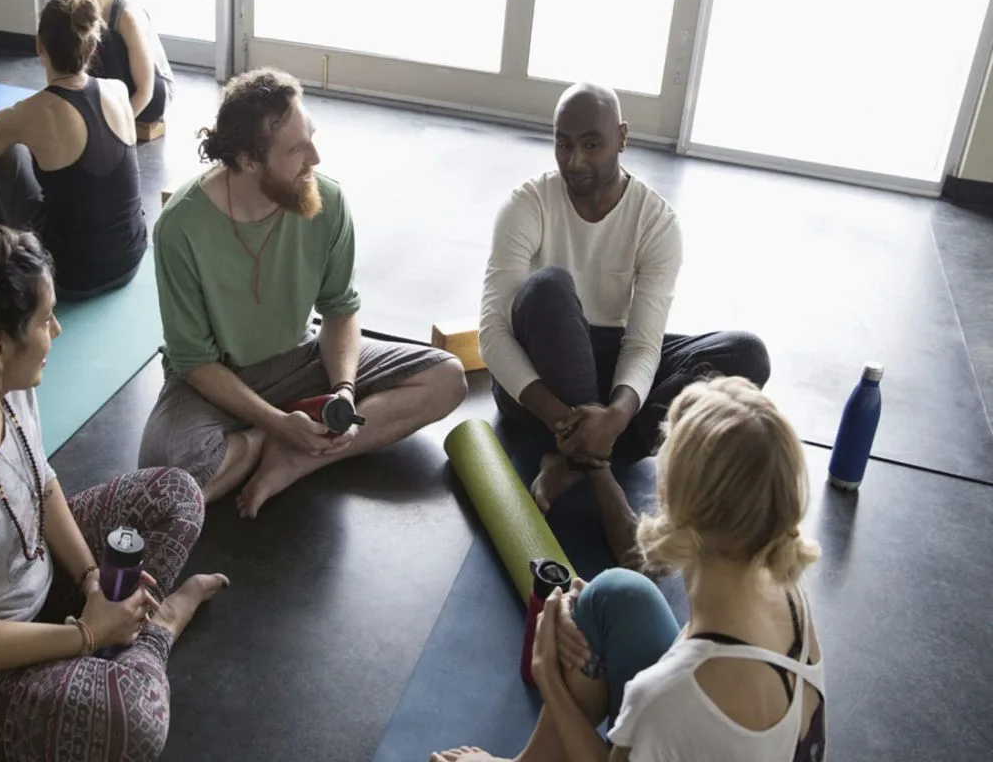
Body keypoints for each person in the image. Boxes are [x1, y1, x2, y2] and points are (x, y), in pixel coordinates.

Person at [0, 222, 228, 761]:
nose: (56, 330)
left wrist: (91, 579)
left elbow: (40, 479)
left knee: (178, 494)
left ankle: (118, 638)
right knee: (134, 721)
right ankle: (157, 630)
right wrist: (86, 635)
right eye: (45, 320)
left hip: (34, 584)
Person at [432, 376, 827, 762]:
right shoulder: (787, 593)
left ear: (667, 494)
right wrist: (588, 611)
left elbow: (675, 701)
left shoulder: (665, 697)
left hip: (687, 710)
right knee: (613, 595)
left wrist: (548, 677)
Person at [138, 68, 468, 519]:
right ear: (249, 161)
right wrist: (275, 424)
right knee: (167, 479)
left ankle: (298, 458)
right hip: (216, 381)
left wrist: (344, 390)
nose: (315, 156)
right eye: (296, 150)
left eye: (310, 137)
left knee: (446, 379)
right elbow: (194, 362)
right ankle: (271, 441)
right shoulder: (180, 227)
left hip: (302, 361)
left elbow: (339, 310)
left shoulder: (327, 200)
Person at [478, 82, 770, 567]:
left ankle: (573, 462)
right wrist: (565, 420)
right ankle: (602, 481)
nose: (574, 161)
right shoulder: (526, 204)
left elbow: (642, 345)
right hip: (534, 385)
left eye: (591, 144)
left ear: (622, 137)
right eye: (563, 144)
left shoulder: (656, 221)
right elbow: (492, 333)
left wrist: (615, 416)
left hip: (607, 359)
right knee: (547, 286)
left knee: (745, 355)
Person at [0, 0, 147, 301]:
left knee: (0, 152)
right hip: (130, 260)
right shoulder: (119, 90)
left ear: (39, 45)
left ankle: (3, 245)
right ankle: (5, 231)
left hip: (68, 278)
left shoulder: (25, 113)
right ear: (92, 47)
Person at [61, 0, 176, 125]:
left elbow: (145, 90)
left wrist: (117, 130)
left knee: (106, 39)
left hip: (152, 95)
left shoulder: (126, 17)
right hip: (116, 87)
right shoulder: (79, 7)